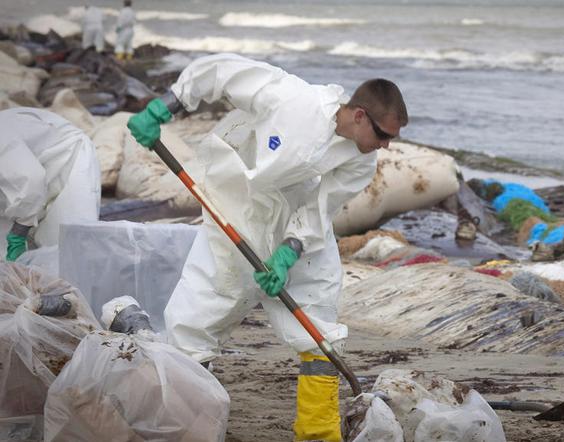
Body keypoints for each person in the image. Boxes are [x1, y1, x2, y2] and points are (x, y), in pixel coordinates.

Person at [127, 53, 407, 441]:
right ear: (360, 116)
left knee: (319, 325)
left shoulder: (361, 161)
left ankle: (318, 433)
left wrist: (289, 251)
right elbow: (222, 71)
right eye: (383, 134)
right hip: (237, 207)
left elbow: (318, 209)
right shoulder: (292, 98)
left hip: (297, 227)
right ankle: (187, 424)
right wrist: (167, 105)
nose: (387, 146)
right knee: (196, 317)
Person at [0, 108, 101, 262]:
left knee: (68, 247)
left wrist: (18, 234)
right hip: (31, 171)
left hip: (67, 160)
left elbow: (31, 180)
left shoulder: (2, 141)